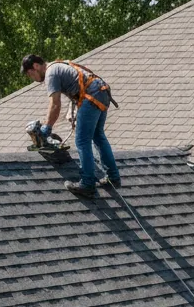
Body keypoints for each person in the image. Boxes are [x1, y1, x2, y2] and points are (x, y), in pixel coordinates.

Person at [20, 55, 121, 199]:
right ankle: (113, 177)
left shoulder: (50, 73)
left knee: (82, 141)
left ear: (36, 66)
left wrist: (46, 128)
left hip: (91, 95)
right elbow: (76, 87)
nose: (33, 78)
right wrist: (73, 113)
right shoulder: (58, 66)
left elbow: (55, 105)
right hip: (101, 92)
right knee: (98, 136)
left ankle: (87, 184)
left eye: (31, 74)